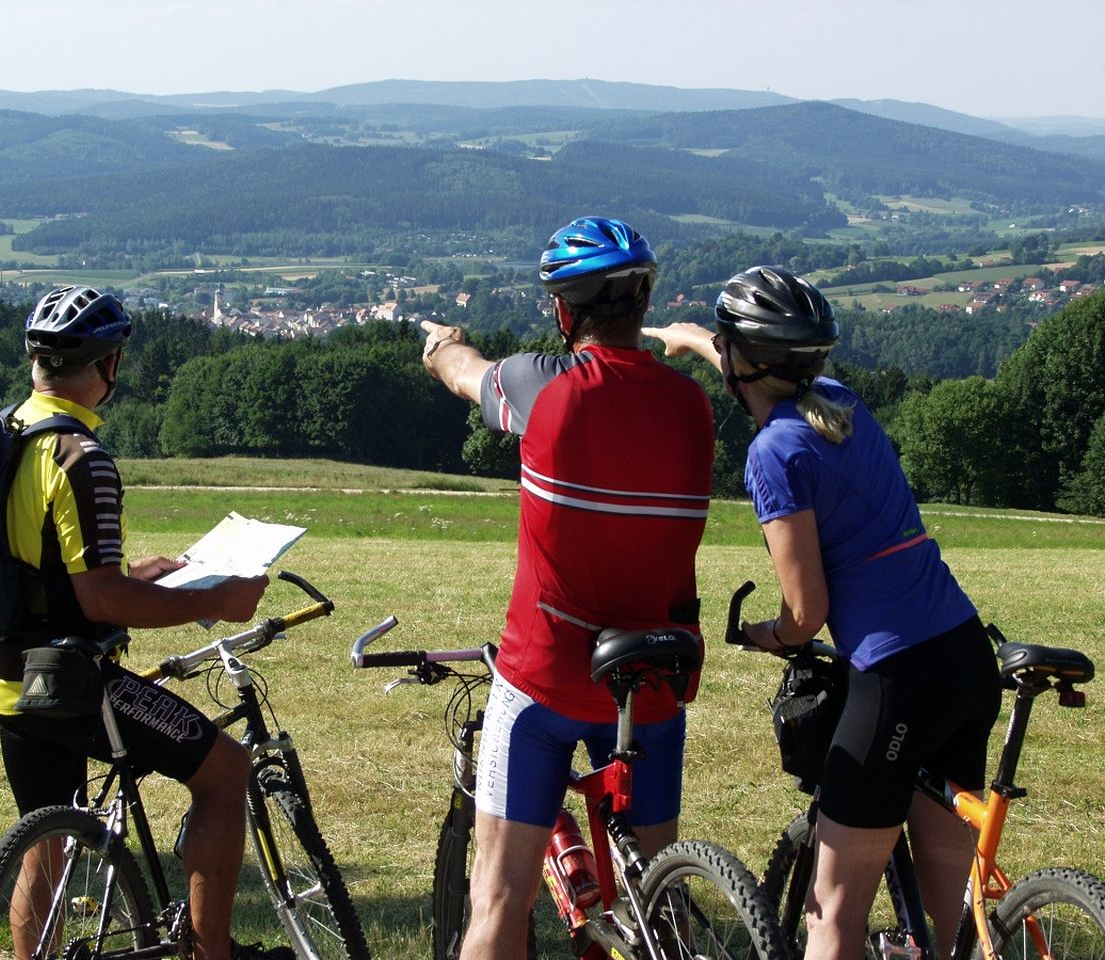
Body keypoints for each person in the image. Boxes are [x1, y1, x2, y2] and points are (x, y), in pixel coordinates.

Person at [643, 266, 1001, 960]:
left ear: (745, 362)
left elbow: (807, 612)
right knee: (956, 905)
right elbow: (759, 368)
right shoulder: (839, 403)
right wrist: (686, 338)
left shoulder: (773, 453)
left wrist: (767, 635)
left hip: (898, 680)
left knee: (831, 915)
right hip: (963, 655)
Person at [420, 217, 715, 957]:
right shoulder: (692, 407)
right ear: (643, 307)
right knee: (658, 907)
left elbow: (463, 373)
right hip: (653, 678)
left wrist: (439, 343)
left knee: (496, 900)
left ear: (562, 312)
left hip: (545, 676)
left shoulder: (541, 387)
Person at [0, 285, 289, 960]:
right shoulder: (83, 461)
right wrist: (215, 601)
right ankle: (213, 953)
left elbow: (51, 574)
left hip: (3, 676)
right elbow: (102, 605)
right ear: (107, 366)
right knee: (226, 770)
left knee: (44, 836)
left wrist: (142, 572)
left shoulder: (8, 436)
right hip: (69, 684)